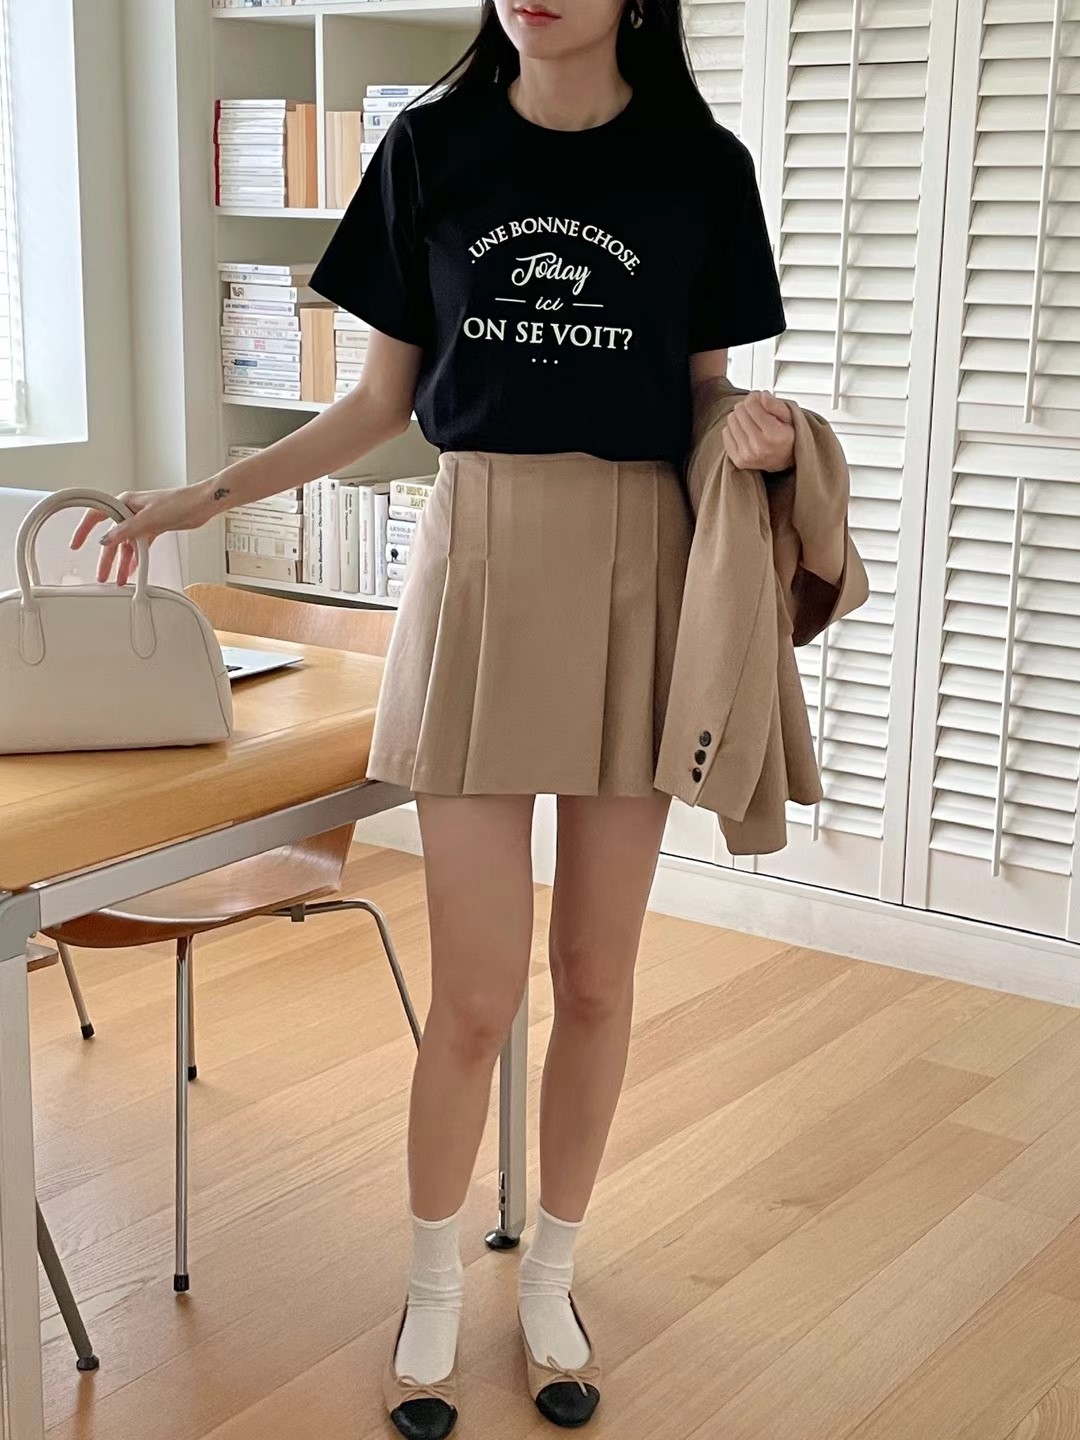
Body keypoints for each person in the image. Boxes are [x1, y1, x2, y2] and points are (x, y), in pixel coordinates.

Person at [74, 0, 796, 1432]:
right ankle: (428, 1285)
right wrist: (202, 498)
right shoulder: (429, 148)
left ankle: (553, 1279)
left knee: (596, 980)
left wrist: (758, 434)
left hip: (640, 572)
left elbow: (703, 399)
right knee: (474, 991)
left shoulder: (700, 167)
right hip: (476, 562)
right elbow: (378, 405)